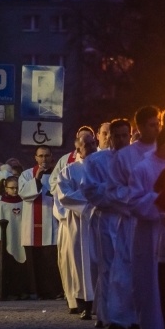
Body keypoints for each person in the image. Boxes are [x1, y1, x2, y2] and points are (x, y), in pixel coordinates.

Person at [108, 105, 160, 329]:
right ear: (139, 127)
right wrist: (136, 203)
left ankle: (158, 323)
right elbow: (114, 188)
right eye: (151, 124)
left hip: (162, 221)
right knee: (130, 273)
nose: (156, 128)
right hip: (133, 221)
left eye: (158, 123)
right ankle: (130, 321)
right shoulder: (125, 156)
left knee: (158, 274)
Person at [128, 127, 165, 329]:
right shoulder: (142, 168)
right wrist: (161, 201)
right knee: (149, 283)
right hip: (149, 232)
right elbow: (133, 202)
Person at [82, 118, 132, 329]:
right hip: (107, 218)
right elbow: (90, 189)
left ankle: (129, 316)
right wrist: (114, 194)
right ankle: (108, 315)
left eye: (124, 136)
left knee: (128, 268)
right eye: (116, 136)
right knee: (108, 267)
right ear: (108, 137)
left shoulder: (136, 158)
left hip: (131, 217)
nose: (121, 140)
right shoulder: (96, 161)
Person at [50, 126, 95, 313]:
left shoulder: (104, 165)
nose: (91, 147)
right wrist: (92, 202)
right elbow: (64, 195)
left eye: (93, 143)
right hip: (78, 221)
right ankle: (83, 300)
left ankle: (99, 302)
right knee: (78, 262)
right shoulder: (68, 170)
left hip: (99, 221)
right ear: (78, 149)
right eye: (87, 145)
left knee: (97, 261)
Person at [18, 145, 62, 300]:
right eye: (41, 156)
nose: (44, 159)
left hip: (51, 222)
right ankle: (36, 291)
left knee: (50, 259)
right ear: (35, 157)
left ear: (52, 157)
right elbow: (23, 193)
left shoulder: (58, 174)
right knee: (34, 260)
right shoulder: (26, 174)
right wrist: (36, 178)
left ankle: (53, 291)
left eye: (46, 156)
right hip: (31, 223)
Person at [0, 175, 33, 299]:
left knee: (22, 266)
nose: (15, 190)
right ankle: (9, 292)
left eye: (17, 188)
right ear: (5, 188)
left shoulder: (24, 201)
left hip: (22, 237)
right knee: (8, 265)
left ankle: (22, 291)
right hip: (7, 237)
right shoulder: (0, 202)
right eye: (12, 188)